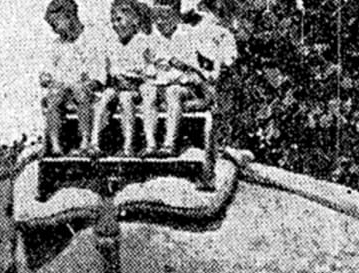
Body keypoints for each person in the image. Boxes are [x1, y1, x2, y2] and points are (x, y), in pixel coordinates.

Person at [142, 0, 237, 155]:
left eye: (165, 17)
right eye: (156, 17)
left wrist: (183, 66)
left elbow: (201, 71)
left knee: (173, 91)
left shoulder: (188, 36)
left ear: (175, 16)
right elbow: (148, 68)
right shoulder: (153, 39)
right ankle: (150, 144)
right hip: (160, 86)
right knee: (148, 90)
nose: (159, 22)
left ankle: (169, 144)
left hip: (186, 88)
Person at [90, 0, 158, 156]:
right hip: (117, 86)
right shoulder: (112, 44)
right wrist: (111, 78)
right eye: (113, 21)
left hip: (137, 86)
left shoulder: (143, 42)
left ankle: (128, 146)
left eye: (119, 19)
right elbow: (108, 69)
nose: (115, 24)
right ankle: (94, 142)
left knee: (126, 98)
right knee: (104, 99)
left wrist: (134, 77)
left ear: (135, 21)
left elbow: (150, 69)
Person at [41, 0, 105, 155]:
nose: (54, 30)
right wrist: (46, 77)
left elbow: (99, 72)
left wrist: (91, 82)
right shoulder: (57, 45)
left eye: (55, 24)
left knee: (80, 92)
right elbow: (48, 70)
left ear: (68, 17)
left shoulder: (91, 40)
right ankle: (55, 146)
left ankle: (85, 141)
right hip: (63, 89)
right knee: (54, 96)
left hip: (87, 90)